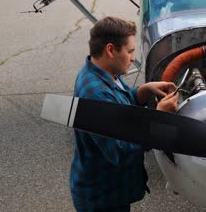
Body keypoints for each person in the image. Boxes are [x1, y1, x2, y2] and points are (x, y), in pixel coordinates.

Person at [70, 16, 178, 212]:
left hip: (108, 189)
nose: (132, 58)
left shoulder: (103, 72)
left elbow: (120, 104)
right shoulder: (95, 94)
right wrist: (158, 116)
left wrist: (143, 91)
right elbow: (121, 151)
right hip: (103, 199)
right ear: (110, 50)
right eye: (129, 51)